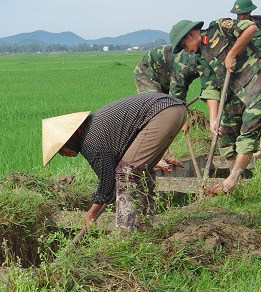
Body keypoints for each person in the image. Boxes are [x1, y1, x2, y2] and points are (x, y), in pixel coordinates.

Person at [42, 92, 189, 231]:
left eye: (61, 150)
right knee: (141, 172)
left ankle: (125, 232)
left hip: (162, 113)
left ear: (69, 140)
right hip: (173, 110)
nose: (63, 154)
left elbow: (108, 181)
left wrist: (91, 214)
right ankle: (145, 226)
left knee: (126, 173)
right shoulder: (92, 129)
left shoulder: (91, 141)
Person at [201, 3, 261, 195]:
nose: (241, 15)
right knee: (226, 136)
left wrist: (231, 54)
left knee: (247, 133)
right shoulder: (200, 55)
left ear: (191, 35)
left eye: (184, 45)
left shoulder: (219, 27)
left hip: (258, 85)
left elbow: (252, 29)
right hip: (234, 91)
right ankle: (236, 182)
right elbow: (210, 87)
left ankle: (231, 183)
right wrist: (213, 119)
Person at [133, 19, 221, 102]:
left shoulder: (204, 52)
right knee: (155, 104)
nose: (186, 49)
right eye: (183, 46)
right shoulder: (186, 64)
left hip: (168, 74)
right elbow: (177, 90)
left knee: (167, 105)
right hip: (147, 71)